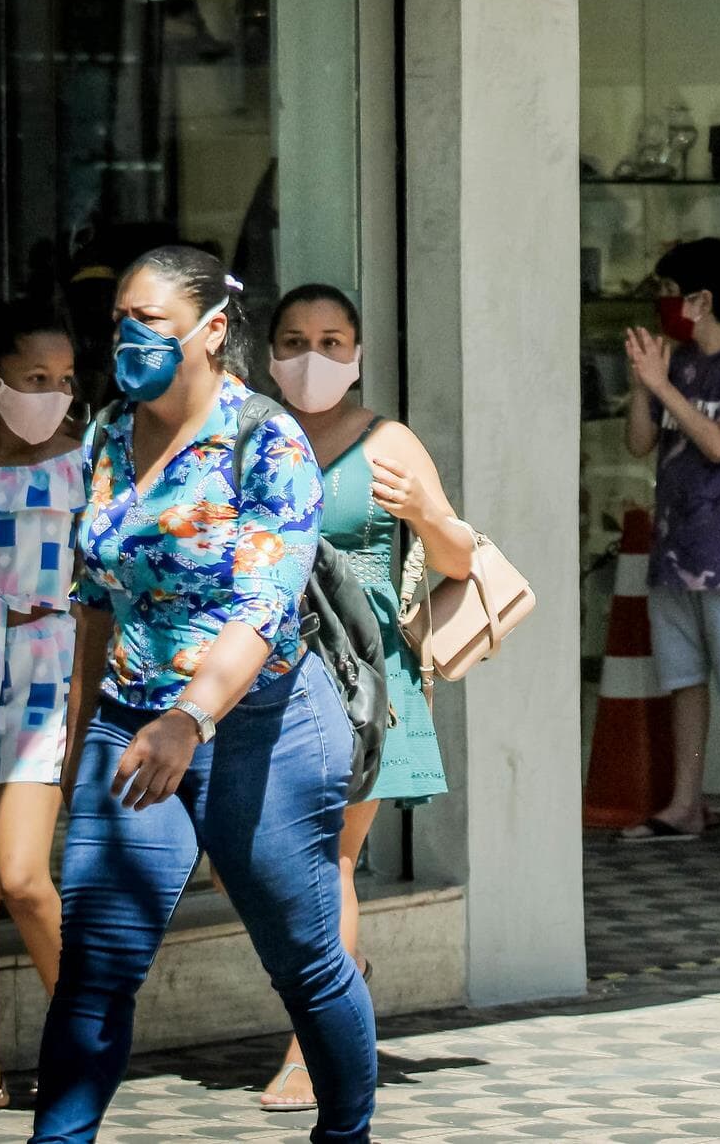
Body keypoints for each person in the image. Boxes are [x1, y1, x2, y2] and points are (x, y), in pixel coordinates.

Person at [31, 246, 375, 1144]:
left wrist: (191, 716)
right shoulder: (109, 431)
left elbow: (266, 605)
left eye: (151, 322)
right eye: (121, 323)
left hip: (262, 728)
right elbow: (97, 600)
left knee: (305, 962)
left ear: (212, 330)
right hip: (130, 723)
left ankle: (346, 1132)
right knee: (96, 965)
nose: (129, 339)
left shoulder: (267, 439)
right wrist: (78, 748)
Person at [256, 284, 471, 1112]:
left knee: (328, 857)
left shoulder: (389, 441)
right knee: (280, 866)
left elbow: (457, 554)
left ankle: (310, 1052)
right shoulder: (250, 435)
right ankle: (342, 982)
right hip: (263, 668)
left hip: (360, 677)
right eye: (297, 338)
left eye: (333, 339)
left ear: (357, 353)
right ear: (269, 353)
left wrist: (422, 508)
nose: (314, 355)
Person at [0, 294, 84, 1124]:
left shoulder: (90, 458)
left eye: (67, 377)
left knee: (24, 878)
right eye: (36, 377)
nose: (54, 392)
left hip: (49, 665)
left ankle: (90, 1040)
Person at [619, 238, 720, 853]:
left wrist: (661, 387)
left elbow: (719, 443)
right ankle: (685, 800)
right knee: (683, 677)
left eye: (667, 291)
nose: (660, 304)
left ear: (702, 299)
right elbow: (639, 443)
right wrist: (645, 384)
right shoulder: (678, 363)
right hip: (674, 545)